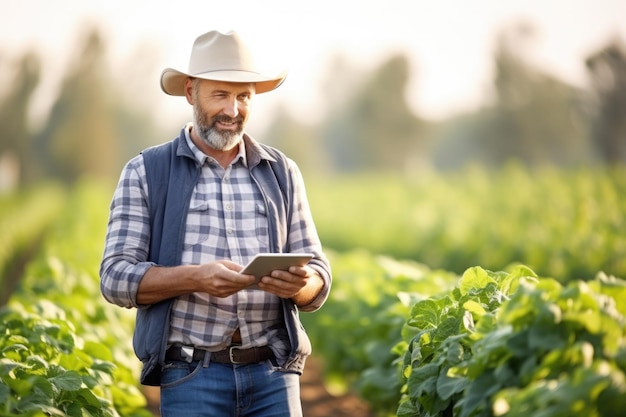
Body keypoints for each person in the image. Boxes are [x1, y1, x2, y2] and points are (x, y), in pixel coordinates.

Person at [99, 29, 332, 417]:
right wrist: (196, 278)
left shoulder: (282, 172)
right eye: (220, 95)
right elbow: (115, 277)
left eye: (244, 96)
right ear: (191, 93)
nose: (233, 110)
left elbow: (320, 275)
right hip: (191, 376)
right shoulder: (146, 172)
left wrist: (301, 285)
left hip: (274, 374)